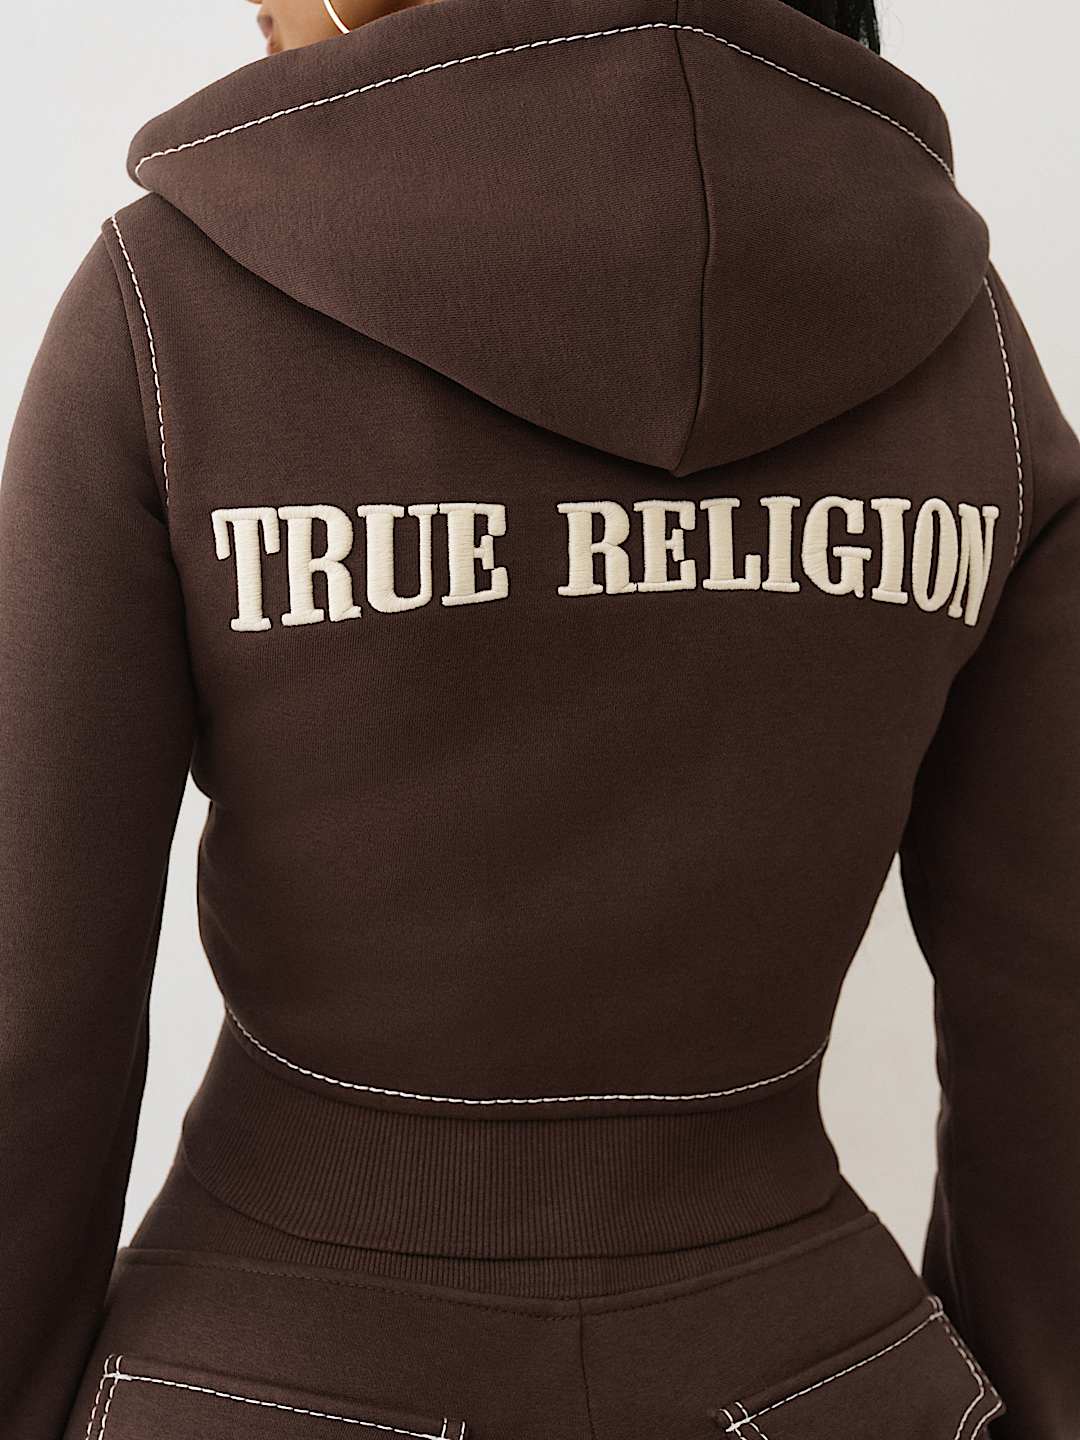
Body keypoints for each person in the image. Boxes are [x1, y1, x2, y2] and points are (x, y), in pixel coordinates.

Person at [0, 0, 1076, 1436]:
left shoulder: (168, 300)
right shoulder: (971, 340)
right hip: (830, 1376)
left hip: (256, 1374)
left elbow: (27, 1003)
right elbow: (1052, 1005)